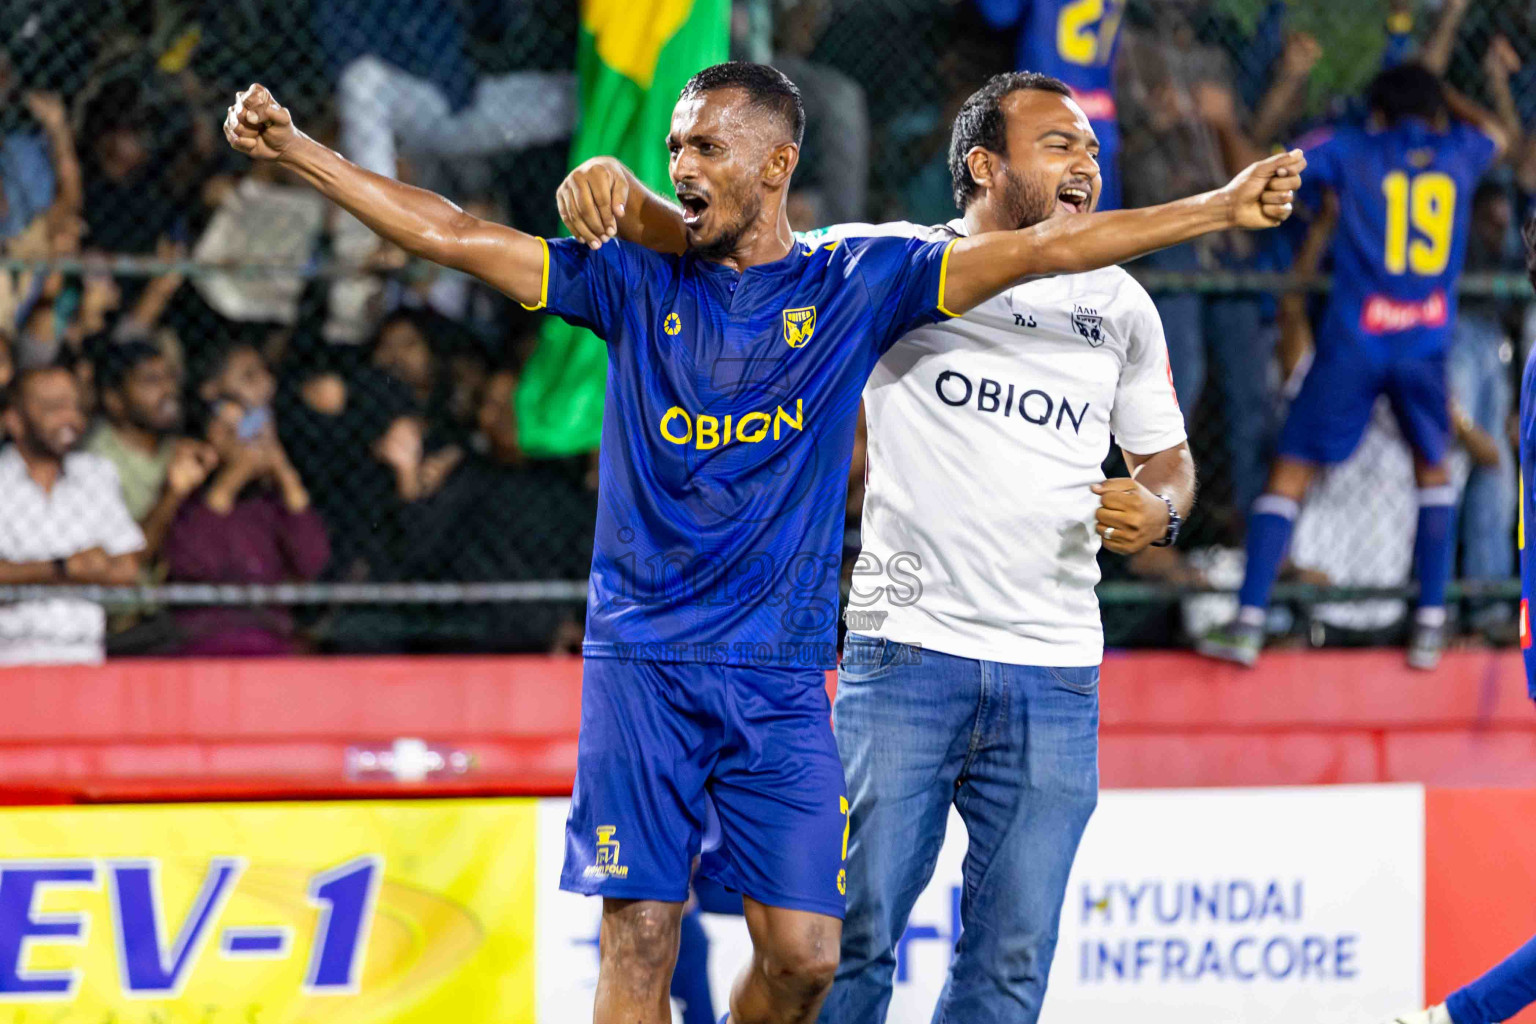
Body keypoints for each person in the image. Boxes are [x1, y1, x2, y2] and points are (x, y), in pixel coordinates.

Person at [223, 63, 1301, 1023]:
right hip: (642, 661)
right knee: (639, 936)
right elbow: (450, 231)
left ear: (777, 162)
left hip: (782, 674)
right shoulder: (631, 279)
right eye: (674, 146)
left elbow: (1050, 246)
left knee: (805, 960)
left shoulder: (854, 285)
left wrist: (1214, 206)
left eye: (705, 144)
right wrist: (306, 153)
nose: (680, 161)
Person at [559, 67, 1194, 1023]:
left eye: (1092, 151)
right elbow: (732, 236)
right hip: (905, 658)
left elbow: (1170, 463)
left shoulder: (1122, 307)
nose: (1086, 164)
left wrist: (1164, 510)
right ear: (984, 166)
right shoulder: (881, 267)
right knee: (845, 948)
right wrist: (621, 186)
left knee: (1012, 964)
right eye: (1060, 145)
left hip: (1056, 667)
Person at [1198, 61, 1508, 671]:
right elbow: (1497, 132)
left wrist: (1229, 125)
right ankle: (1429, 624)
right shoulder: (1460, 149)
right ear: (1436, 110)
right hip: (1424, 342)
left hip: (1356, 339)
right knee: (1434, 471)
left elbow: (1272, 172)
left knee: (1292, 471)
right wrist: (1449, 95)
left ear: (1376, 111)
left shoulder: (1351, 147)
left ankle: (1249, 621)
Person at [163, 343, 329, 655]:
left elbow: (312, 561)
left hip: (271, 642)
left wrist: (284, 472)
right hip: (205, 642)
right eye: (227, 427)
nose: (242, 438)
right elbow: (192, 561)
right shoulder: (191, 488)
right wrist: (232, 478)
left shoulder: (268, 503)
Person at [0, 363, 143, 664]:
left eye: (76, 405)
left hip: (84, 659)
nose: (71, 417)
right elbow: (95, 566)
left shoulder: (97, 474)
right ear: (14, 421)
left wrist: (20, 573)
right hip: (9, 660)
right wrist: (63, 567)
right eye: (53, 407)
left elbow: (127, 568)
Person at [86, 341, 215, 558]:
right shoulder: (95, 460)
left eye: (170, 377)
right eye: (151, 381)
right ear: (114, 399)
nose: (169, 390)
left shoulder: (176, 447)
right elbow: (127, 560)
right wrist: (172, 494)